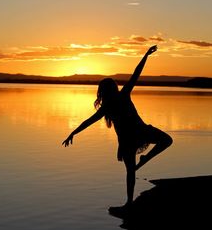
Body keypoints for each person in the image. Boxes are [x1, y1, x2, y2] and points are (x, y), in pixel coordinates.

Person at [62, 45, 172, 211]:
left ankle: (131, 196)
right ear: (111, 89)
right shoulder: (114, 102)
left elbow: (136, 74)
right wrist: (73, 132)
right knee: (136, 167)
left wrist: (73, 133)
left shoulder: (116, 100)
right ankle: (129, 202)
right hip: (134, 136)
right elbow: (89, 121)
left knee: (137, 167)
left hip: (135, 135)